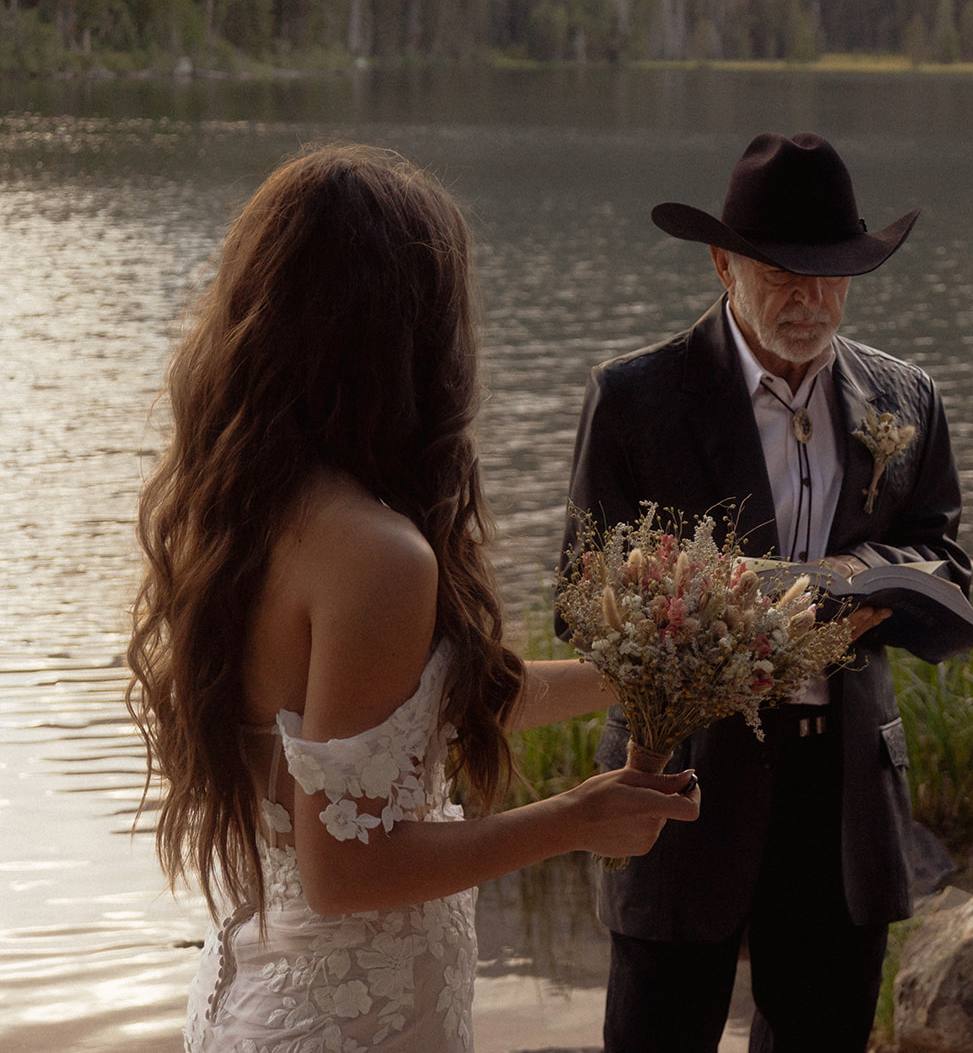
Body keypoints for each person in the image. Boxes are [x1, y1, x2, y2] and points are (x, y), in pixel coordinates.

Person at [125, 144, 700, 1053]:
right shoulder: (379, 555)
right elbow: (345, 870)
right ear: (408, 333)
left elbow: (406, 722)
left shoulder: (243, 501)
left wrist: (637, 670)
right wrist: (575, 819)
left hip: (273, 999)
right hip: (351, 1027)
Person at [559, 131, 971, 1053]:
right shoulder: (635, 398)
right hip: (683, 778)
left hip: (845, 794)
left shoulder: (905, 397)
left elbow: (944, 550)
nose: (809, 298)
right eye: (782, 272)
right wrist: (780, 592)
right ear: (721, 261)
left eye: (831, 273)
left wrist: (878, 582)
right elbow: (583, 598)